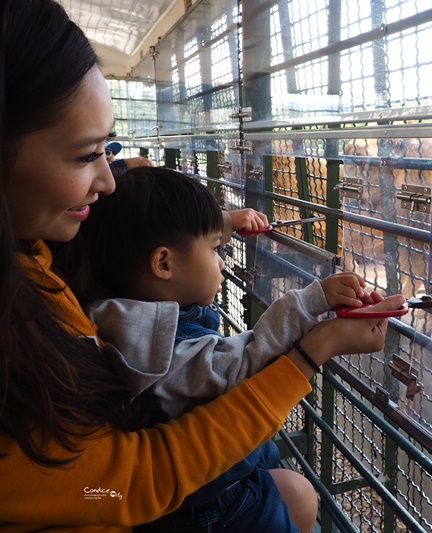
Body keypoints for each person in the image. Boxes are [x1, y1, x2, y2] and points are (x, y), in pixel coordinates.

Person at [0, 1, 405, 531]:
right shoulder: (72, 317)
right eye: (86, 155)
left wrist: (219, 223)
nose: (109, 180)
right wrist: (314, 348)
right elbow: (119, 486)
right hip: (146, 497)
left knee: (291, 489)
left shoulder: (41, 255)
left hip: (133, 485)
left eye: (110, 151)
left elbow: (127, 214)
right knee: (288, 495)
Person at [79, 166, 375, 533]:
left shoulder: (125, 311)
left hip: (215, 476)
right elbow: (240, 362)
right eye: (216, 249)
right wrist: (310, 302)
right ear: (164, 263)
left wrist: (224, 223)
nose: (222, 262)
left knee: (291, 487)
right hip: (213, 506)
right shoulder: (158, 352)